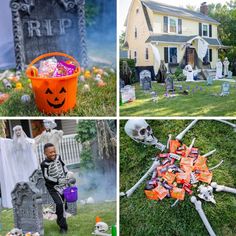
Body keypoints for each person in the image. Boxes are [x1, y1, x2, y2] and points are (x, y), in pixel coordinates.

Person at [41, 143, 69, 234]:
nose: (53, 154)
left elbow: (63, 166)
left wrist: (67, 174)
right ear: (45, 153)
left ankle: (60, 213)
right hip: (52, 187)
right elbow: (46, 176)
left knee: (63, 205)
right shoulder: (44, 164)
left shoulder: (58, 157)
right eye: (50, 152)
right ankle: (63, 227)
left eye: (54, 151)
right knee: (59, 204)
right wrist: (57, 181)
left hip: (63, 185)